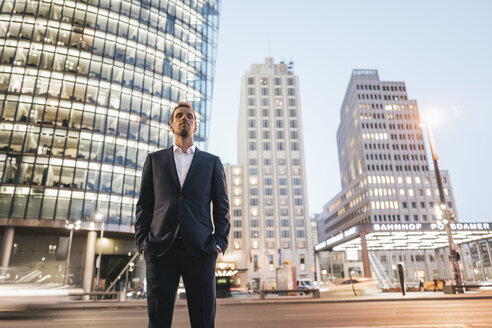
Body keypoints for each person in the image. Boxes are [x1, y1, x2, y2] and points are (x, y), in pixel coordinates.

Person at [135, 101, 230, 328]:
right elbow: (144, 205)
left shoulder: (211, 162)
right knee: (158, 321)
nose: (184, 119)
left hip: (200, 250)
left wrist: (218, 244)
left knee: (203, 321)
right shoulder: (154, 161)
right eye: (179, 116)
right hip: (160, 251)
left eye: (189, 116)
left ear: (195, 126)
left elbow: (222, 208)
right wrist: (142, 243)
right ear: (171, 125)